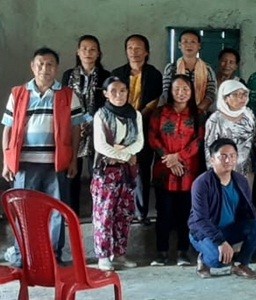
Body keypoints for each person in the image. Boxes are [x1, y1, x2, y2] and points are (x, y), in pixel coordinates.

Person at [2, 47, 87, 266]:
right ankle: (23, 255)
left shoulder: (67, 95)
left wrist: (73, 159)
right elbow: (8, 129)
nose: (45, 69)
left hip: (56, 163)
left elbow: (76, 128)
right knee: (24, 210)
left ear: (56, 68)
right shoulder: (19, 94)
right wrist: (6, 160)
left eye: (50, 64)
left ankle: (53, 256)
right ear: (32, 66)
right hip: (25, 164)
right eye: (40, 64)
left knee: (57, 209)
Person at [189, 138, 256, 279]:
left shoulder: (240, 180)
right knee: (219, 261)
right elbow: (200, 220)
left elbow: (247, 210)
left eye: (232, 156)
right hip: (205, 233)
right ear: (212, 160)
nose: (228, 160)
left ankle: (241, 265)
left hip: (230, 230)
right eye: (223, 156)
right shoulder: (202, 183)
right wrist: (220, 242)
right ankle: (203, 259)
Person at [149, 74, 204, 266]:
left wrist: (179, 157)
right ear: (171, 91)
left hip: (189, 171)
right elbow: (153, 137)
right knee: (163, 213)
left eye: (186, 89)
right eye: (177, 89)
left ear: (192, 92)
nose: (181, 93)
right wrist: (169, 158)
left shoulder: (198, 115)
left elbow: (199, 141)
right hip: (164, 170)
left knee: (185, 213)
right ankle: (161, 253)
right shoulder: (159, 113)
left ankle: (183, 252)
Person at [90, 76, 144, 271]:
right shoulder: (100, 115)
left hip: (127, 173)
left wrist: (125, 154)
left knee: (124, 213)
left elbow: (139, 142)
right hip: (106, 173)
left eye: (122, 91)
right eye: (113, 91)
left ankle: (120, 254)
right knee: (105, 213)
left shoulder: (135, 115)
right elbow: (101, 146)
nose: (119, 95)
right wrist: (125, 155)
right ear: (105, 94)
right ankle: (103, 255)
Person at [111, 34, 163, 226]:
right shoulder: (117, 73)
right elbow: (111, 100)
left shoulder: (154, 74)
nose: (134, 52)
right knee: (121, 170)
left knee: (141, 170)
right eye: (130, 48)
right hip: (120, 129)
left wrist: (137, 117)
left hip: (145, 127)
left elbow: (155, 101)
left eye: (138, 48)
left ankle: (141, 212)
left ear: (146, 52)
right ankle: (121, 210)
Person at [61, 35, 111, 216]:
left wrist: (90, 122)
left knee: (96, 172)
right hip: (73, 129)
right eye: (84, 49)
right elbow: (63, 103)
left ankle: (97, 212)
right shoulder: (68, 75)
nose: (88, 53)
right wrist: (77, 123)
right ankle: (70, 213)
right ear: (78, 52)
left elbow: (108, 104)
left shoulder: (106, 76)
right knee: (72, 172)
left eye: (92, 49)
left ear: (98, 53)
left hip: (98, 130)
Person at [204, 80, 256, 189]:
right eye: (236, 94)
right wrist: (213, 172)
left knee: (244, 201)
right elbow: (209, 148)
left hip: (246, 169)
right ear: (225, 98)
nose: (241, 98)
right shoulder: (215, 119)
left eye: (244, 94)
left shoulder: (249, 114)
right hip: (223, 170)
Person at [161, 30, 217, 112]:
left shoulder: (207, 69)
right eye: (185, 42)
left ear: (199, 46)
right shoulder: (171, 68)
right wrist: (177, 110)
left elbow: (211, 93)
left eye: (193, 42)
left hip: (200, 112)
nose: (189, 45)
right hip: (175, 112)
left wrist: (198, 110)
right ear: (179, 45)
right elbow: (166, 92)